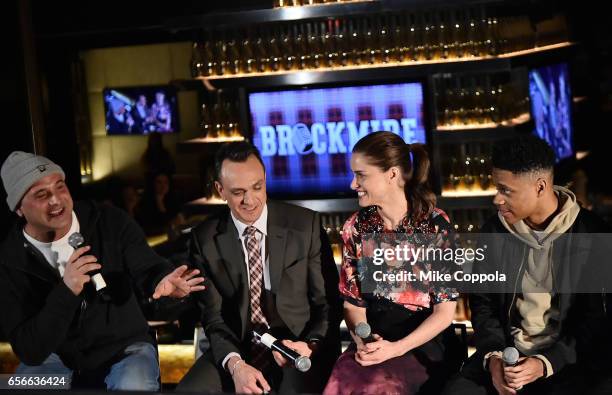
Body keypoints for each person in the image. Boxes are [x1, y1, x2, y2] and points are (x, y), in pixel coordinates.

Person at [0, 151, 205, 390]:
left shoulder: (109, 221)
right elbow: (30, 349)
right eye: (42, 194)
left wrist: (162, 280)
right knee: (26, 387)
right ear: (19, 209)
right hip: (53, 356)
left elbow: (147, 265)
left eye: (60, 187)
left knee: (134, 385)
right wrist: (66, 292)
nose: (56, 200)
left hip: (124, 346)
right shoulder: (9, 259)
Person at [443, 135, 611, 395]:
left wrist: (546, 363)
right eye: (496, 188)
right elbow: (483, 305)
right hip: (508, 353)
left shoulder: (592, 234)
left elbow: (594, 322)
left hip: (569, 361)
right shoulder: (494, 232)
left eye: (506, 190)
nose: (496, 199)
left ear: (540, 187)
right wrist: (494, 359)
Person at [177, 141, 341, 394]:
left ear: (265, 179)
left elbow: (327, 303)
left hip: (297, 345)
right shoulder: (204, 238)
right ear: (220, 190)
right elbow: (214, 317)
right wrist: (235, 365)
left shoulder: (304, 225)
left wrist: (310, 344)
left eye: (257, 187)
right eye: (238, 192)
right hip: (238, 347)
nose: (250, 200)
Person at [323, 131, 460, 395]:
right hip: (374, 340)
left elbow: (444, 314)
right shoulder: (356, 227)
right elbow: (353, 306)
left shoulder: (435, 226)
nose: (353, 184)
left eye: (361, 175)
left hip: (424, 343)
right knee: (342, 379)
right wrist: (363, 341)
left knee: (380, 386)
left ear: (392, 174)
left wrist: (396, 349)